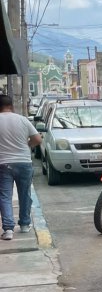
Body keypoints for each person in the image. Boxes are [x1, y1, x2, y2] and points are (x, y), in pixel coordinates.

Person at [0, 94, 42, 240]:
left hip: (3, 163)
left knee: (5, 196)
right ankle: (24, 225)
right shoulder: (22, 120)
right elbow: (37, 139)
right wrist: (27, 146)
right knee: (24, 194)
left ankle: (8, 230)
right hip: (24, 162)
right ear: (11, 106)